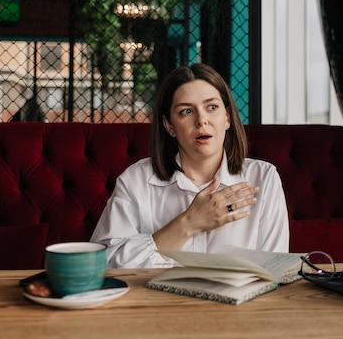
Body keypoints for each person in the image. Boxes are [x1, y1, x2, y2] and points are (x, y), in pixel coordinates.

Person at [90, 63, 290, 268]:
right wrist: (188, 223)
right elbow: (103, 264)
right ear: (169, 126)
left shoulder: (264, 178)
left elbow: (273, 270)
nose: (202, 120)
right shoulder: (136, 180)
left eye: (212, 107)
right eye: (186, 111)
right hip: (157, 300)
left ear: (227, 117)